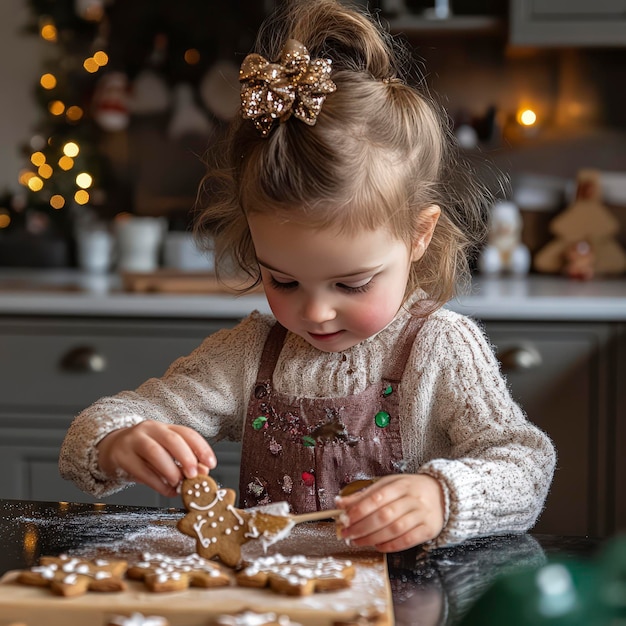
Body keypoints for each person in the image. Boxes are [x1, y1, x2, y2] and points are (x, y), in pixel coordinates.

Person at [59, 0, 555, 554]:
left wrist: (443, 497)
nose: (314, 312)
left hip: (399, 604)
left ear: (418, 236)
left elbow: (525, 464)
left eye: (351, 284)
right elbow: (103, 421)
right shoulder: (250, 353)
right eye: (284, 281)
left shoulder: (442, 350)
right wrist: (121, 440)